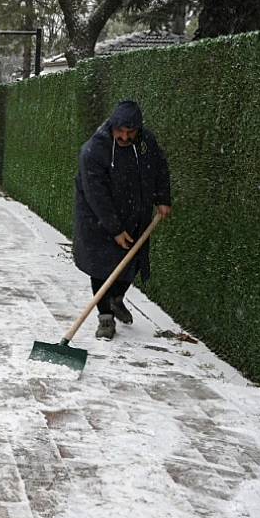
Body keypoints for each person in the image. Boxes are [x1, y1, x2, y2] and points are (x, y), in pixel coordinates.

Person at [73, 100, 172, 340]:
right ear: (112, 126)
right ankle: (105, 318)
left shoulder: (146, 142)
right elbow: (97, 195)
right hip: (97, 218)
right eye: (120, 131)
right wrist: (115, 228)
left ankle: (116, 299)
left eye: (131, 132)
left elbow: (159, 165)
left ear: (138, 129)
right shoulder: (94, 150)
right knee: (101, 267)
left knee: (132, 262)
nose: (125, 137)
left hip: (134, 214)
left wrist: (162, 198)